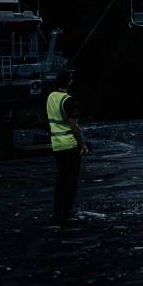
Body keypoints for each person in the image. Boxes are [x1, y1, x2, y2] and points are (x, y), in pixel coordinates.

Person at [46, 70, 87, 226]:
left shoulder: (50, 97)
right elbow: (74, 125)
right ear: (68, 82)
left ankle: (57, 213)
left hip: (56, 145)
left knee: (61, 180)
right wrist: (82, 144)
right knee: (71, 181)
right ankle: (67, 214)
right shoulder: (68, 100)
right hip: (69, 145)